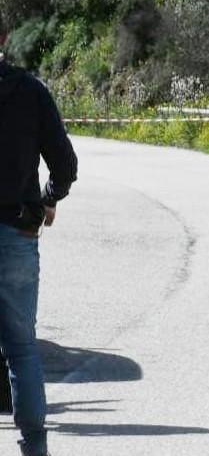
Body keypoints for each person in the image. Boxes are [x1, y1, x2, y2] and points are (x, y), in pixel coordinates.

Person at [0, 30, 78, 456]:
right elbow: (64, 163)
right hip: (15, 230)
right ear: (5, 37)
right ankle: (34, 446)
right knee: (21, 348)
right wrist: (48, 198)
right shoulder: (30, 91)